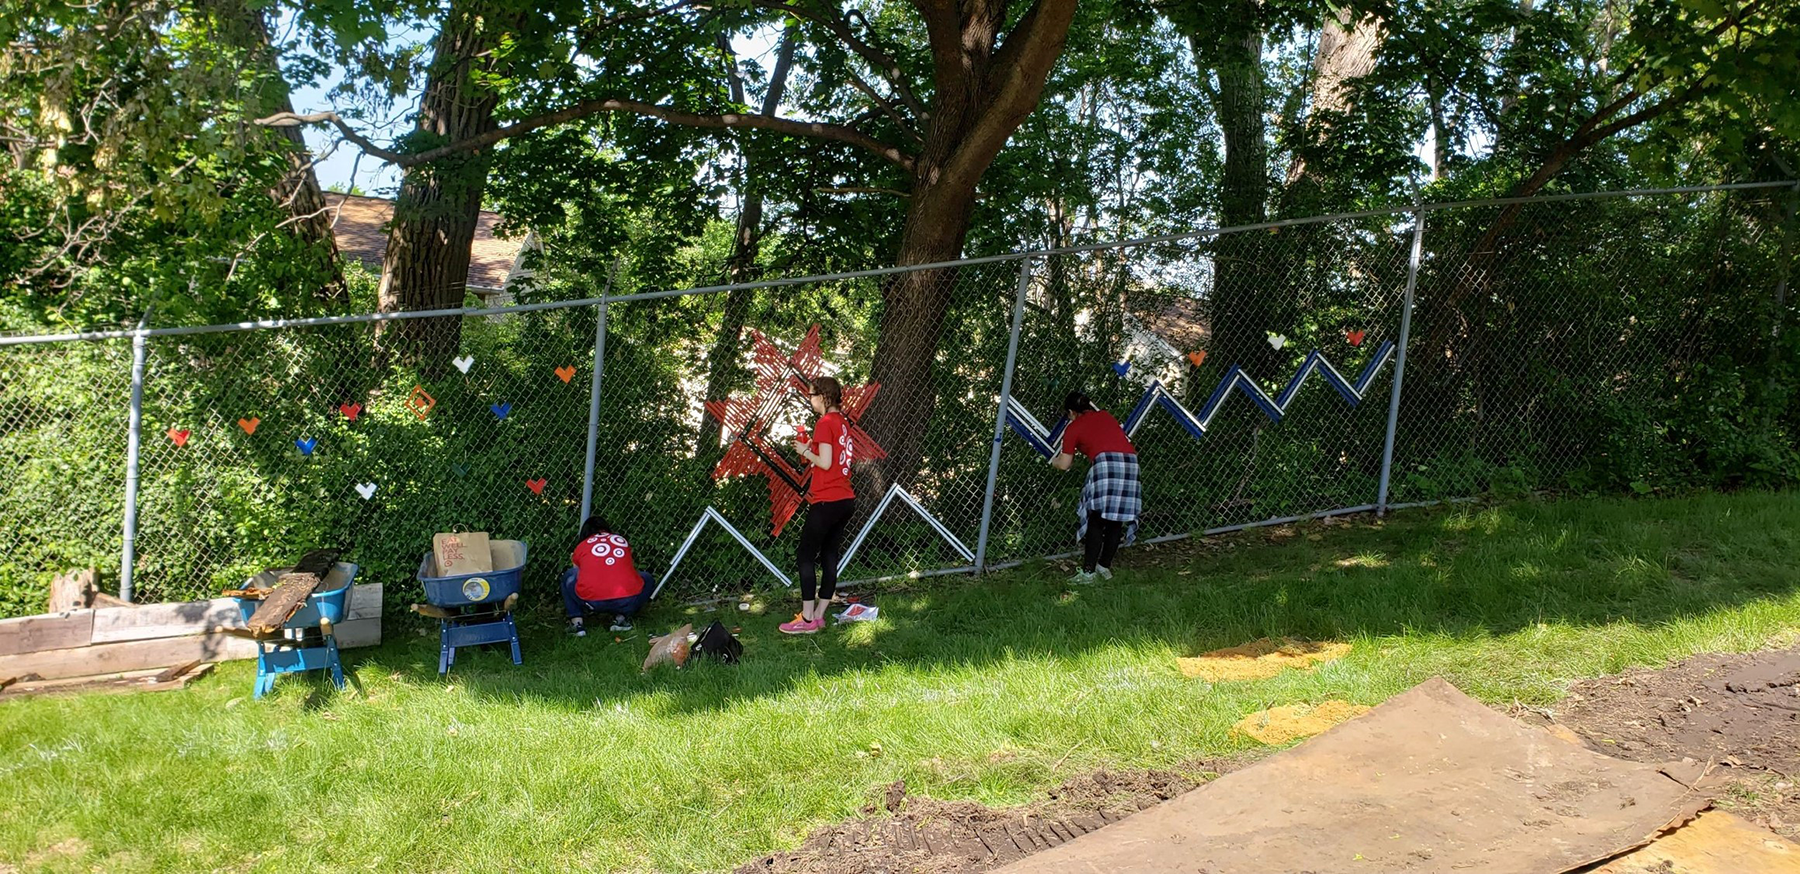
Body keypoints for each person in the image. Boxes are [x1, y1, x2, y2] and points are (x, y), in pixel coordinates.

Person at [780, 376, 857, 634]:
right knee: (829, 555)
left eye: (812, 395)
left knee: (805, 555)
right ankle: (820, 615)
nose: (809, 400)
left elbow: (824, 462)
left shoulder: (824, 423)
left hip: (827, 498)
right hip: (845, 498)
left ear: (824, 397)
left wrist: (805, 451)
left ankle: (808, 617)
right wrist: (811, 450)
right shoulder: (842, 422)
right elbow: (834, 459)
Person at [1050, 390, 1141, 584]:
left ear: (1071, 412)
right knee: (1117, 518)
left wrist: (1054, 461)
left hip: (1106, 463)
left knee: (1096, 519)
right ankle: (1104, 567)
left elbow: (1065, 464)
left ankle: (1088, 572)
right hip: (1130, 463)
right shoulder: (1105, 416)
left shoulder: (1074, 427)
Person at [562, 515, 652, 636]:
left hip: (592, 601)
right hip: (627, 600)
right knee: (647, 578)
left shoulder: (582, 545)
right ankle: (621, 619)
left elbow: (576, 570)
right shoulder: (621, 540)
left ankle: (577, 624)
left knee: (568, 576)